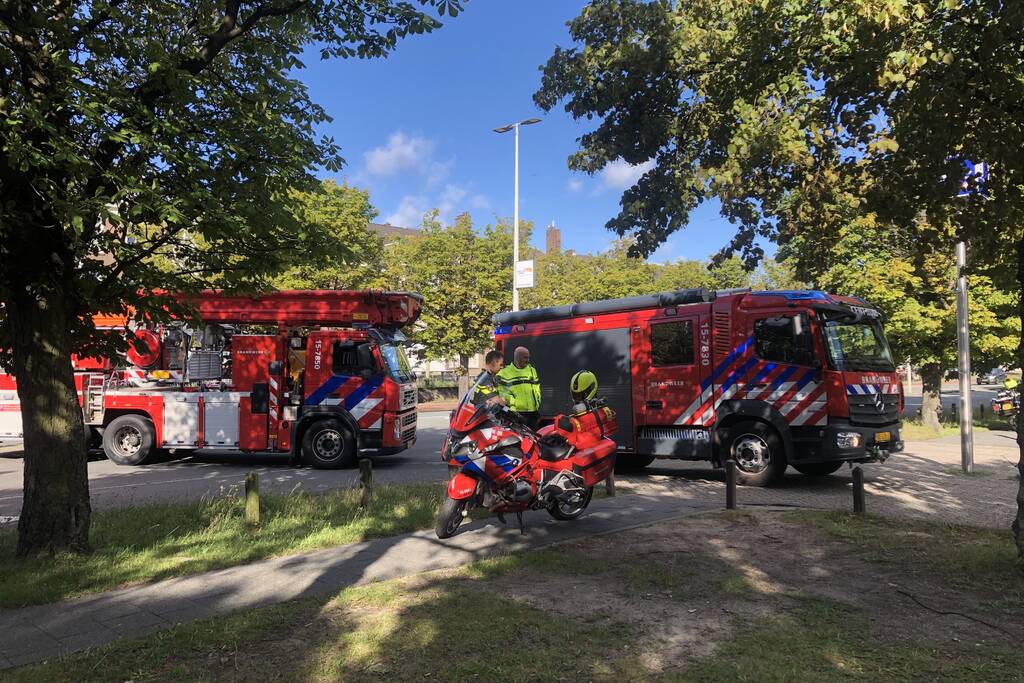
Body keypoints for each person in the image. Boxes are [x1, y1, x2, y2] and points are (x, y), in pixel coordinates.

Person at [497, 346, 541, 430]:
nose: (528, 360)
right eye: (525, 357)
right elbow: (500, 392)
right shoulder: (504, 373)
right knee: (520, 440)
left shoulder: (532, 370)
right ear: (517, 358)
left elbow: (537, 387)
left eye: (528, 357)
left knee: (534, 440)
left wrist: (538, 401)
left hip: (533, 413)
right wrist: (514, 401)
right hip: (516, 414)